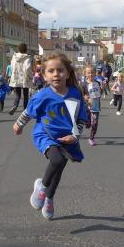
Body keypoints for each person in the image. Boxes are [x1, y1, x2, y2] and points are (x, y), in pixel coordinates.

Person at [12, 53, 88, 220]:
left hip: (66, 137)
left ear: (67, 73)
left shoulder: (74, 94)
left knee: (58, 170)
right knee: (57, 160)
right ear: (44, 75)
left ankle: (49, 198)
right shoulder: (42, 95)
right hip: (45, 134)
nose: (56, 74)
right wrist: (18, 125)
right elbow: (28, 112)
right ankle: (42, 187)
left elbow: (81, 118)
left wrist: (75, 136)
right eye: (51, 71)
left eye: (60, 70)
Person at [7, 43, 33, 115]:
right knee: (25, 95)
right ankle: (25, 109)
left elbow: (12, 66)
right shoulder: (27, 57)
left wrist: (13, 74)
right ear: (26, 49)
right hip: (25, 78)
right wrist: (31, 76)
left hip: (16, 77)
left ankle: (15, 105)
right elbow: (27, 68)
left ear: (18, 49)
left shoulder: (14, 56)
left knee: (18, 94)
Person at [82, 66, 103, 146]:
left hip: (95, 106)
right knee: (88, 123)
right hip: (87, 106)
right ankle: (87, 122)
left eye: (92, 72)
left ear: (95, 73)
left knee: (95, 123)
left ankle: (91, 138)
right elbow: (80, 94)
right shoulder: (83, 84)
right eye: (88, 73)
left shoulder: (97, 83)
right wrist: (85, 97)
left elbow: (99, 93)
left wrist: (102, 89)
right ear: (85, 74)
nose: (90, 74)